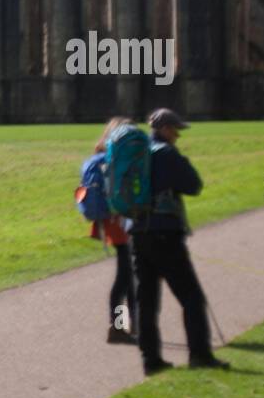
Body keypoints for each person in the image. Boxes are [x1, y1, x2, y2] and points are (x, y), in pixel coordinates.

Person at [127, 109, 230, 376]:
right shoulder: (166, 154)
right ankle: (200, 354)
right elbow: (194, 185)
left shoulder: (135, 154)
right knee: (191, 297)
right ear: (163, 129)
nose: (177, 135)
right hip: (165, 232)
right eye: (174, 129)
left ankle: (151, 361)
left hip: (137, 233)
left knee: (147, 302)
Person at [84, 117, 136, 344]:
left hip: (114, 221)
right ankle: (116, 327)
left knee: (130, 272)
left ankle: (133, 323)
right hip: (120, 220)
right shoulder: (114, 161)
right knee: (125, 274)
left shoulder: (103, 159)